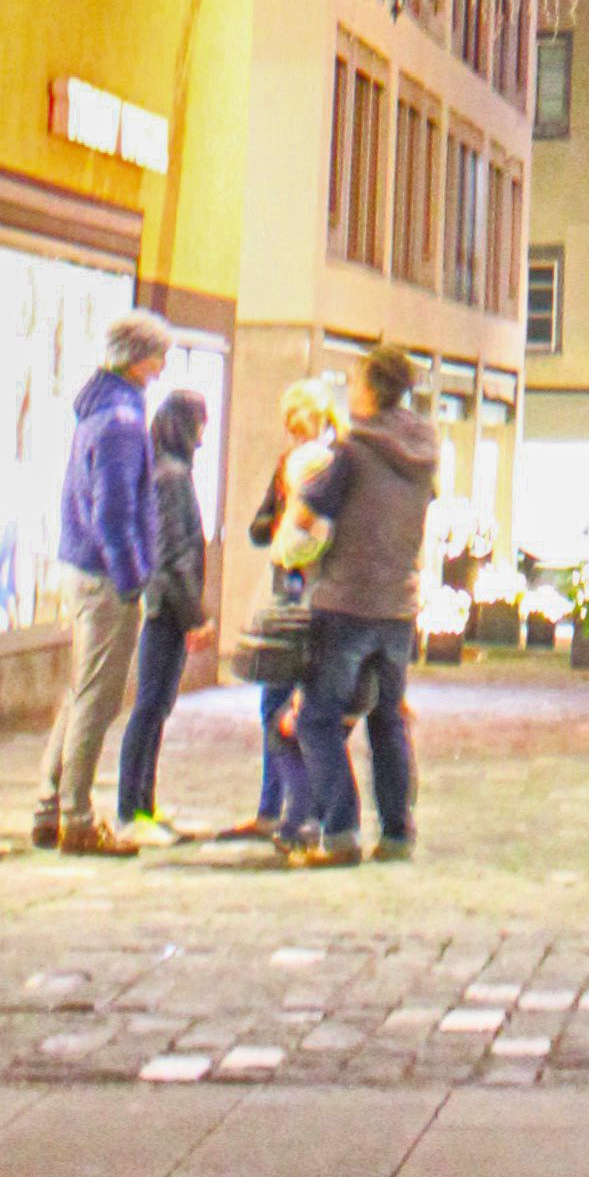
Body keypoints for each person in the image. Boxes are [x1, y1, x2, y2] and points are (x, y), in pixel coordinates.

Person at [284, 345, 437, 866]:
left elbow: (307, 515)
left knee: (318, 719)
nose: (350, 391)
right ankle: (397, 833)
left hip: (347, 602)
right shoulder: (423, 449)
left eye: (355, 381)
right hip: (398, 605)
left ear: (372, 389)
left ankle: (340, 831)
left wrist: (300, 534)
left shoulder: (353, 451)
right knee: (388, 719)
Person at [29, 313, 169, 853]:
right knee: (98, 699)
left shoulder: (98, 412)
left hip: (86, 569)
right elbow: (114, 509)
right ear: (139, 358)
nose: (160, 367)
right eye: (157, 355)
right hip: (107, 577)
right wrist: (133, 576)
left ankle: (49, 805)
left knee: (83, 690)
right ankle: (78, 818)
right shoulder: (123, 421)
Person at [218, 379, 340, 843]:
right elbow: (260, 526)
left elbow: (304, 537)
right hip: (287, 585)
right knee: (276, 698)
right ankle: (279, 809)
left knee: (286, 703)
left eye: (298, 417)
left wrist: (290, 529)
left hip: (306, 589)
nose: (291, 427)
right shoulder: (289, 465)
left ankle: (296, 812)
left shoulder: (327, 465)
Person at [110, 388, 209, 841]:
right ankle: (133, 809)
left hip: (167, 605)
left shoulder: (170, 472)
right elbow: (175, 554)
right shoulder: (171, 478)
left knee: (156, 707)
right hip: (166, 608)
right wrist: (195, 615)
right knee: (151, 706)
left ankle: (142, 805)